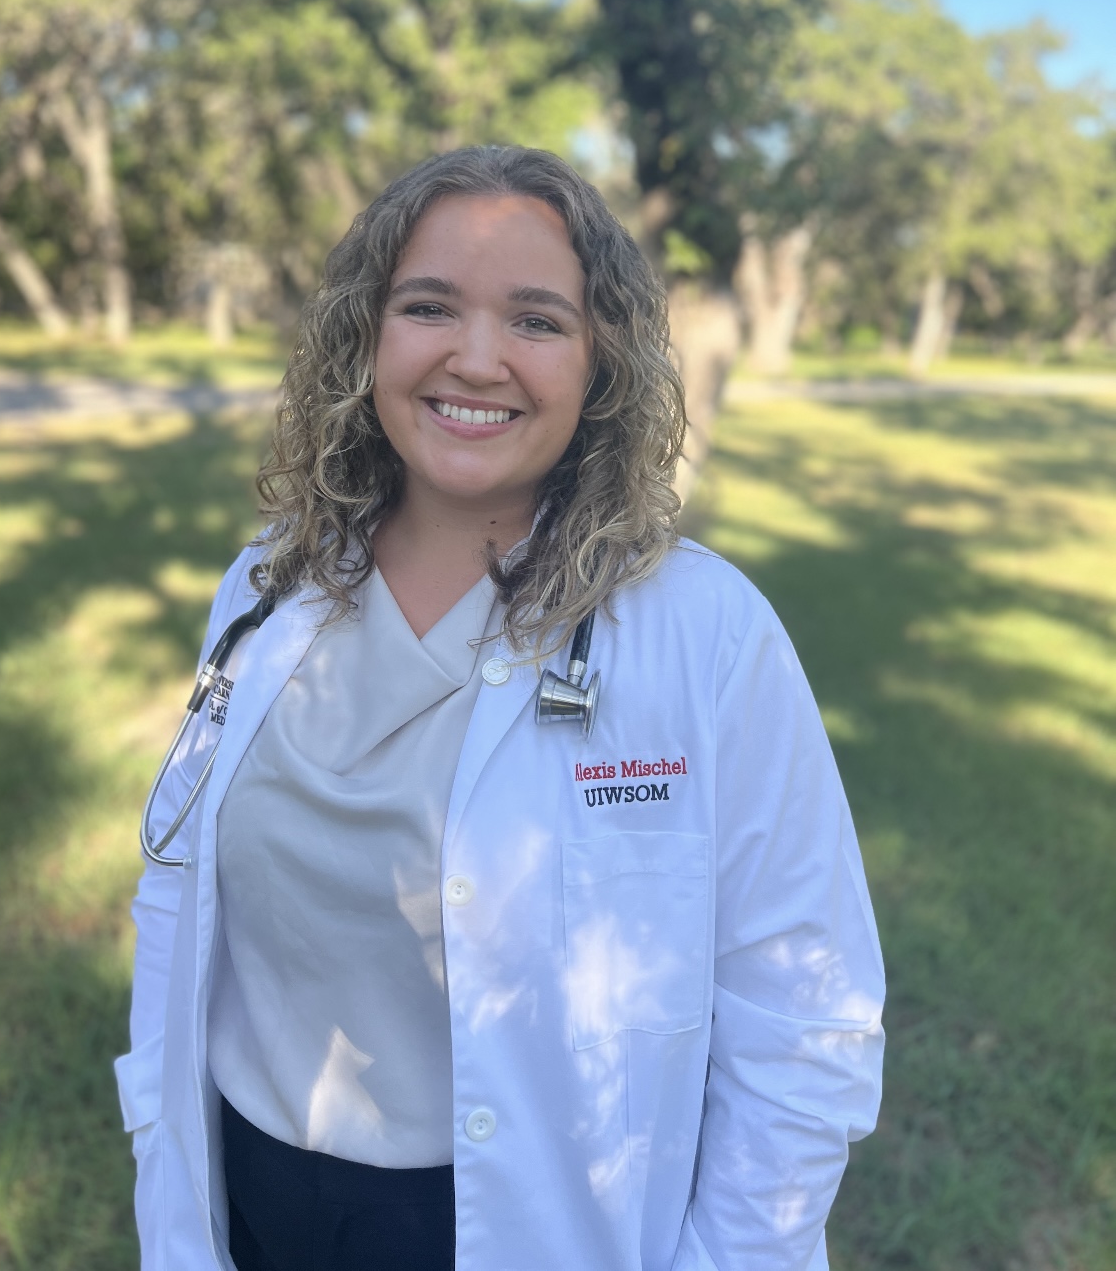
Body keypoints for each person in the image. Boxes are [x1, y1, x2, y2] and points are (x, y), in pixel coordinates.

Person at [115, 145, 885, 1271]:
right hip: (255, 1193)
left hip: (535, 1222)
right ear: (366, 335)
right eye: (428, 306)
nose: (476, 359)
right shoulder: (265, 589)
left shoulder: (703, 633)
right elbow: (180, 909)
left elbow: (803, 1014)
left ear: (600, 361)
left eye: (536, 320)